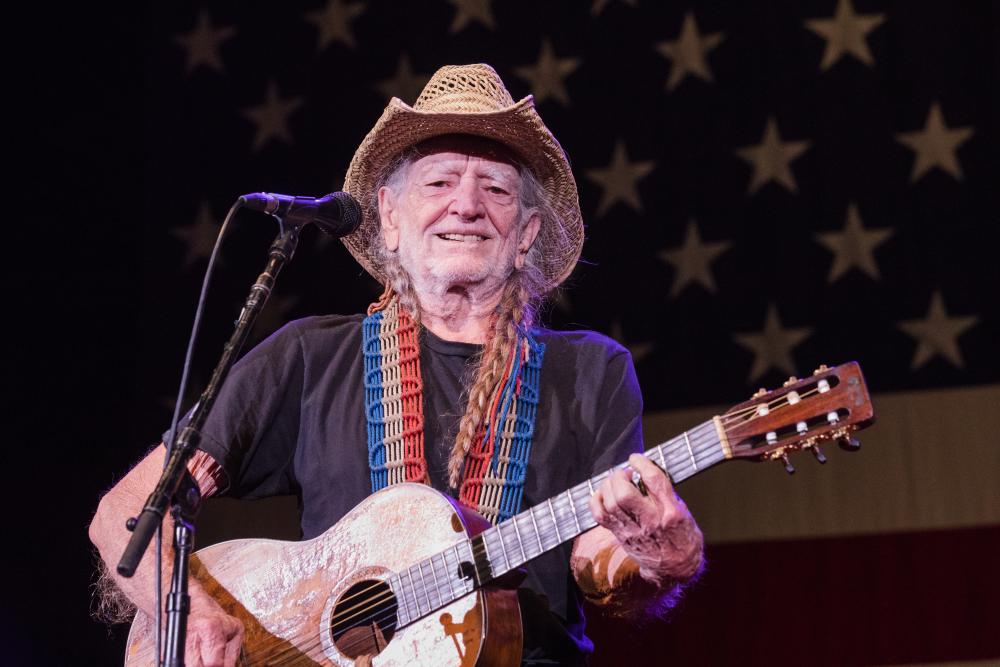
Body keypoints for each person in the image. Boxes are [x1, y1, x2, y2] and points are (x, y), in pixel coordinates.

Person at [90, 63, 704, 666]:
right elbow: (125, 514)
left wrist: (660, 560)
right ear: (387, 216)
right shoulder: (309, 358)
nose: (466, 204)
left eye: (495, 188)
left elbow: (601, 556)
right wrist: (193, 614)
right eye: (439, 182)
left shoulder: (593, 372)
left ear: (526, 233)